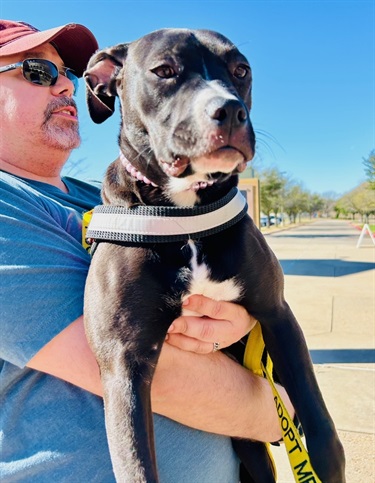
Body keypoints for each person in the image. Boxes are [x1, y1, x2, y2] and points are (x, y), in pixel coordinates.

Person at [0, 19, 294, 482]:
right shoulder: (7, 208)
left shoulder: (106, 197)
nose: (65, 88)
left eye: (69, 76)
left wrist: (237, 317)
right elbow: (142, 370)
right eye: (37, 72)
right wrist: (282, 411)